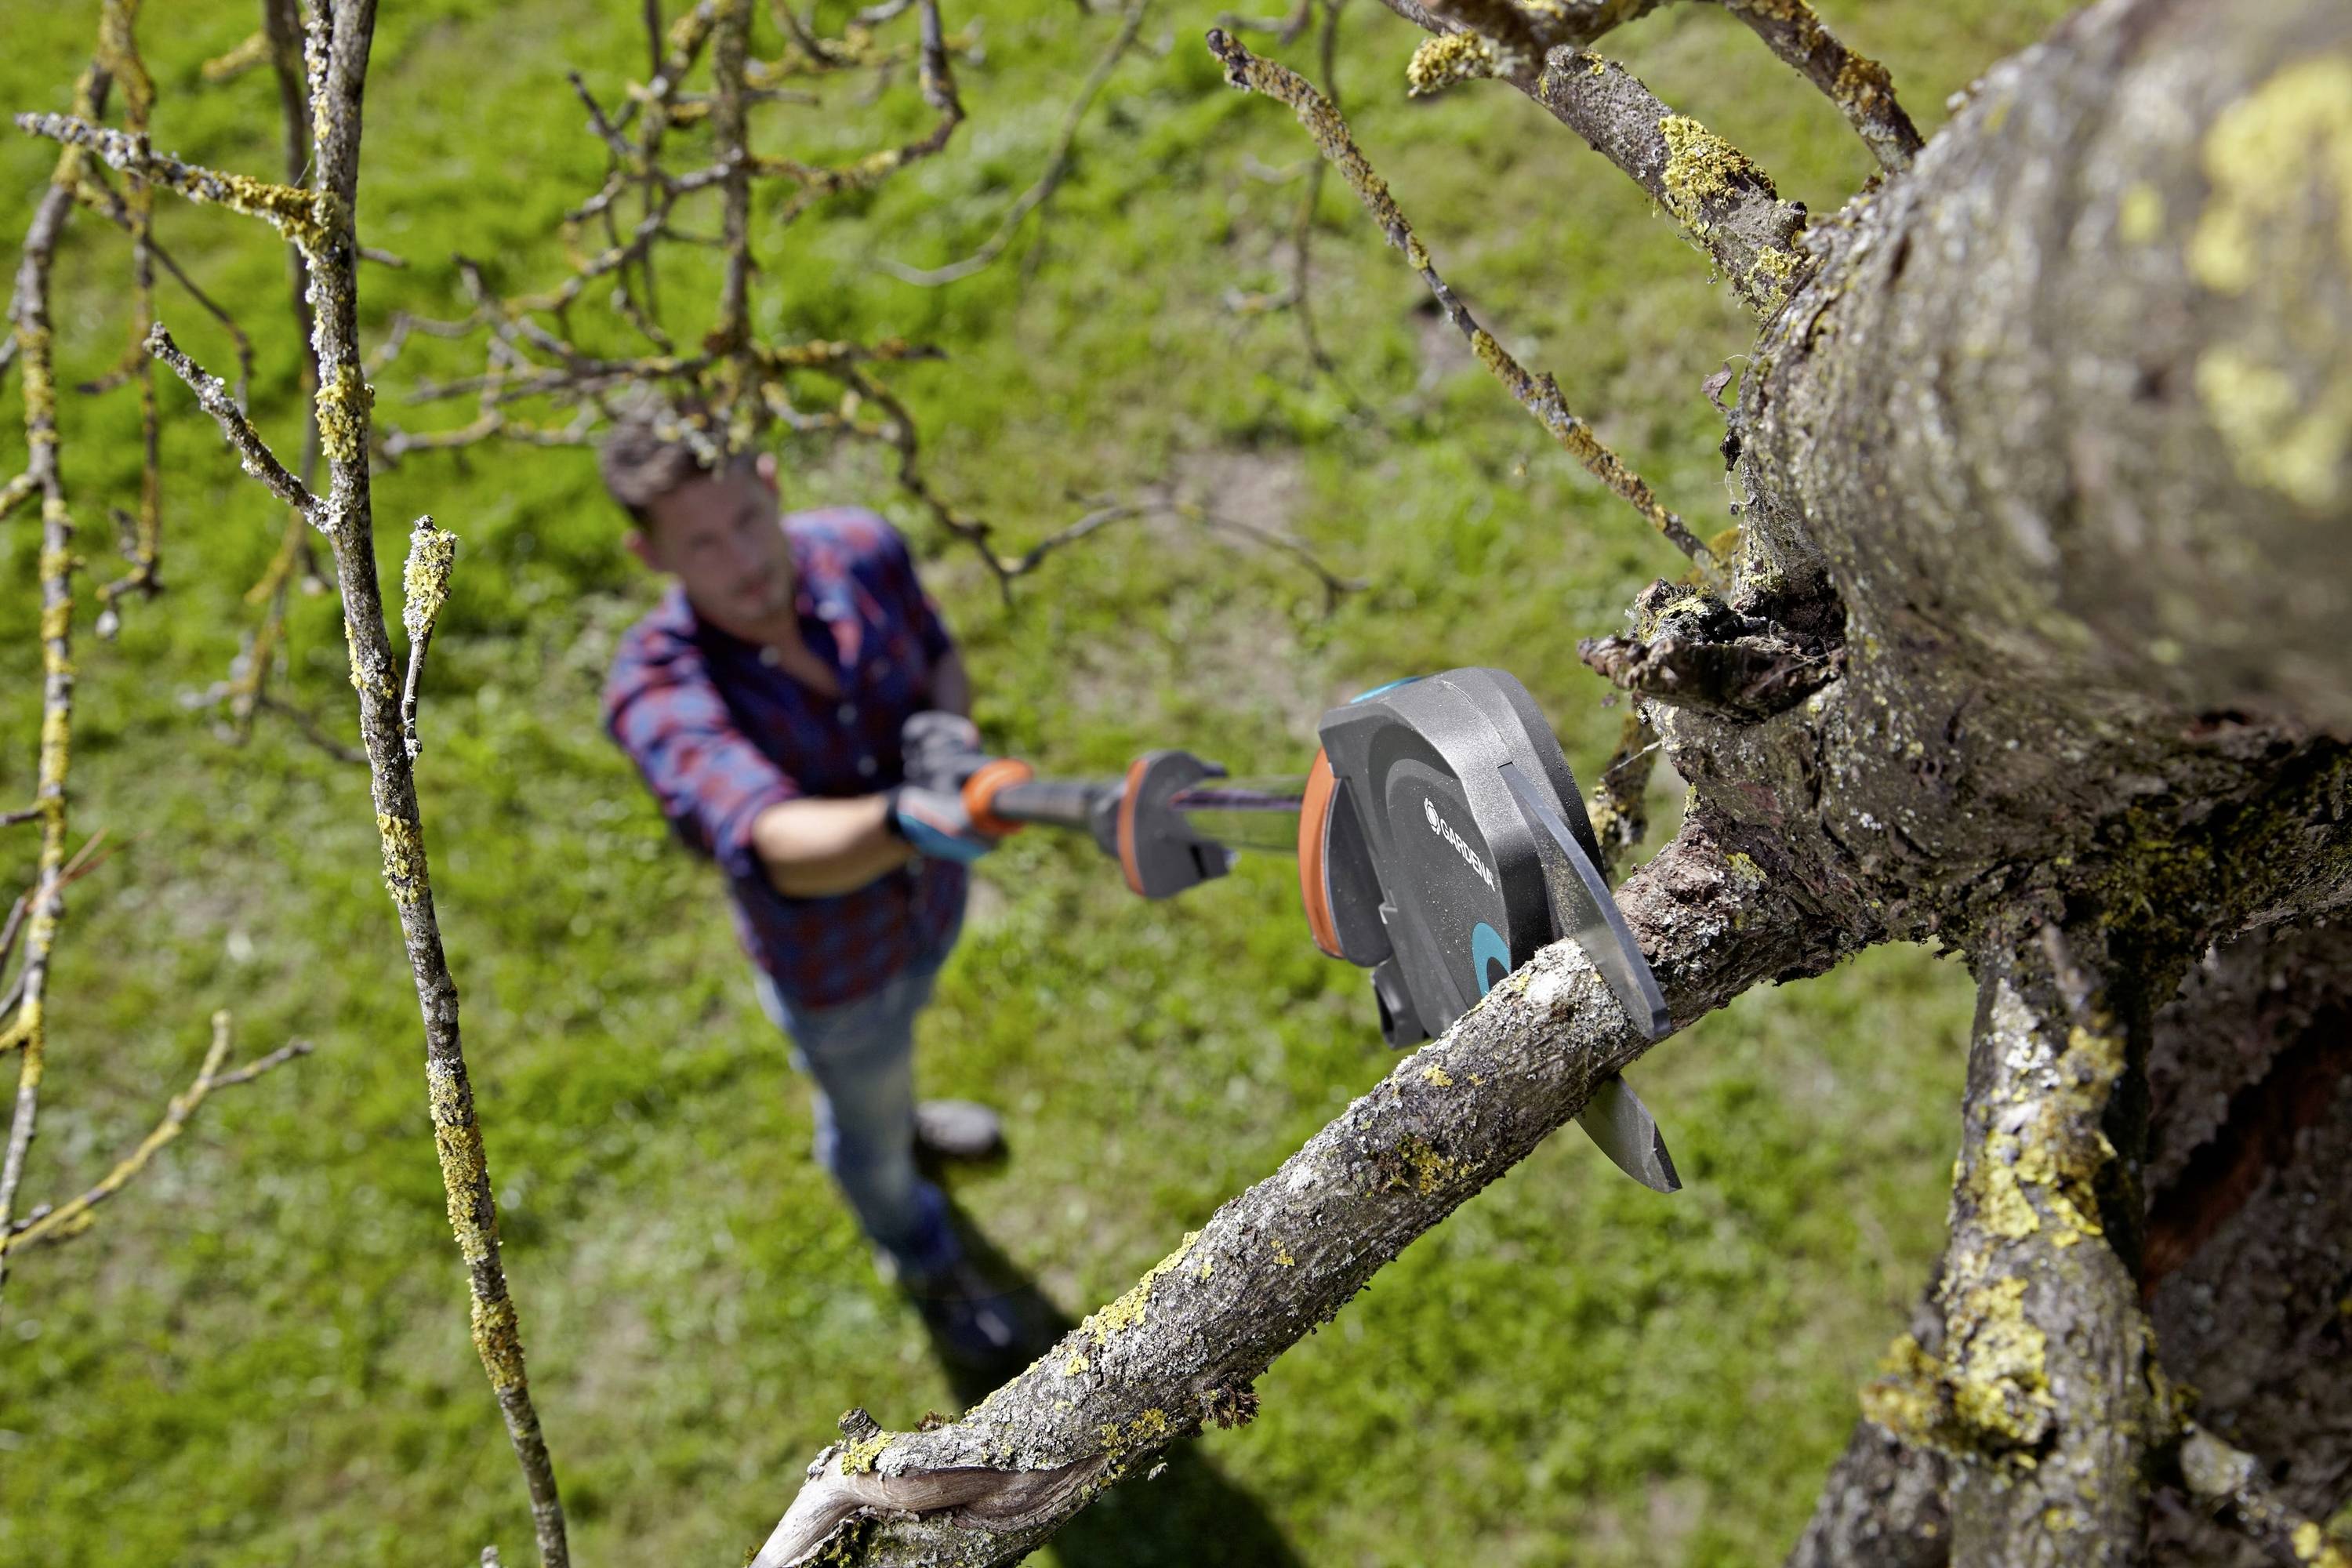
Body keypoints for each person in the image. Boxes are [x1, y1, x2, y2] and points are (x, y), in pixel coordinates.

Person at [597, 412, 1022, 1364]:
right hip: (832, 970)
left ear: (773, 480)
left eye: (748, 517)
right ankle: (919, 1248)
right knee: (861, 1122)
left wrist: (948, 744)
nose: (743, 561)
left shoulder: (861, 549)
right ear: (647, 551)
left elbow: (940, 656)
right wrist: (909, 818)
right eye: (700, 543)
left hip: (926, 914)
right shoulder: (658, 687)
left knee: (894, 1055)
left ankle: (904, 1115)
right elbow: (773, 837)